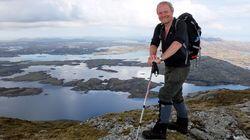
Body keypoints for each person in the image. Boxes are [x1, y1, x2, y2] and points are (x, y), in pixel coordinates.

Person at [142, 1, 190, 139]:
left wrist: (161, 58)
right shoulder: (159, 27)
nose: (163, 15)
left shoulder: (180, 24)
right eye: (160, 13)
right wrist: (152, 57)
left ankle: (160, 131)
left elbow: (177, 43)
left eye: (165, 11)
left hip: (181, 67)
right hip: (169, 66)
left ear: (172, 11)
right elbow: (154, 43)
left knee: (165, 95)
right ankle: (182, 124)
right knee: (176, 96)